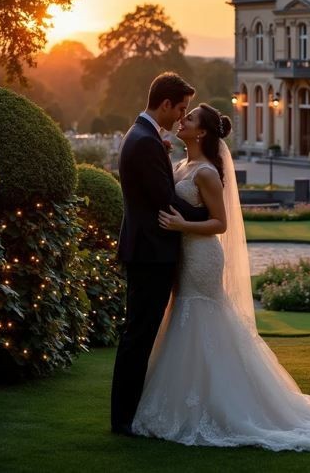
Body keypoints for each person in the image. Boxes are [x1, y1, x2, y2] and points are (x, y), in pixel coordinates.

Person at [131, 102, 310, 450]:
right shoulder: (181, 164)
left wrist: (182, 225)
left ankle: (224, 407)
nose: (182, 120)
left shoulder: (206, 172)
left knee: (203, 319)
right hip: (184, 256)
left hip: (203, 255)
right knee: (183, 318)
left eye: (189, 118)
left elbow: (220, 223)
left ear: (202, 131)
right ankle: (188, 400)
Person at [111, 73, 210, 436]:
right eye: (180, 108)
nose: (181, 116)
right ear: (165, 104)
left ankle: (126, 415)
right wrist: (210, 218)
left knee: (137, 335)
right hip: (151, 254)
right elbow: (164, 201)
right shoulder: (145, 141)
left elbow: (157, 189)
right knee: (138, 337)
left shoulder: (143, 137)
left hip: (146, 251)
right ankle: (123, 420)